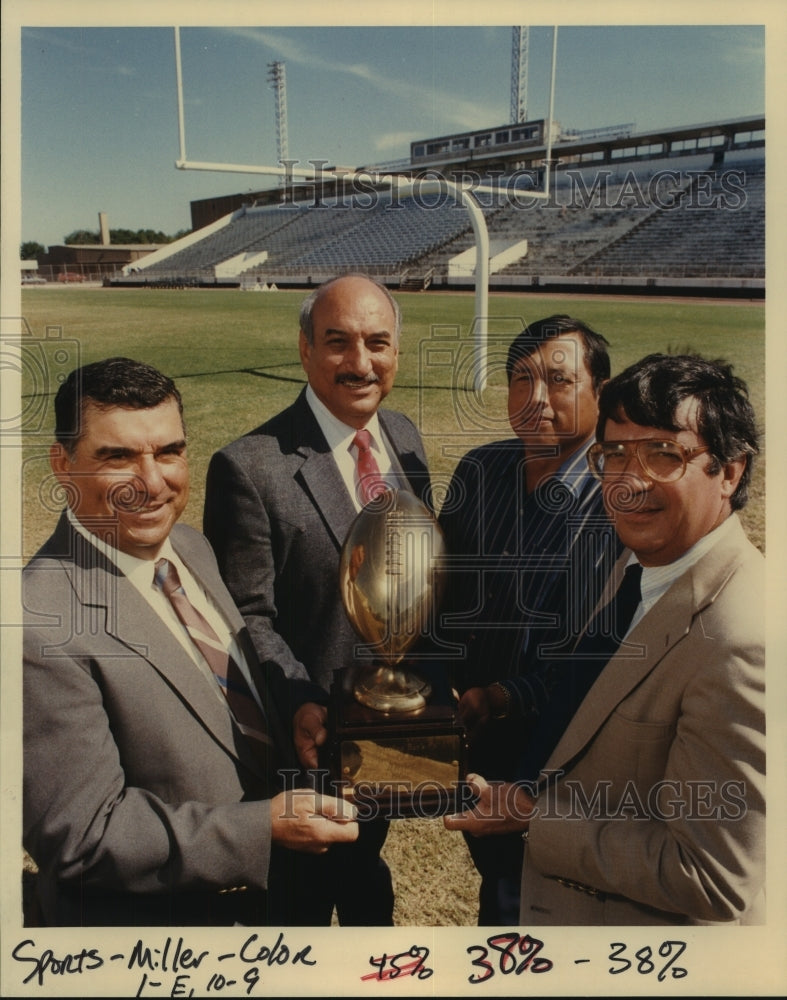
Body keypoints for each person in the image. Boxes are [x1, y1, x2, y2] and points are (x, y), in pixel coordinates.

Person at [22, 357, 358, 927]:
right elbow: (84, 836)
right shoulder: (40, 624)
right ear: (62, 464)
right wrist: (262, 829)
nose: (152, 483)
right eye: (118, 456)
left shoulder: (190, 546)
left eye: (169, 451)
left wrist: (286, 715)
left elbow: (213, 690)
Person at [445, 353, 765, 926]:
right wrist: (505, 700)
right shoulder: (642, 571)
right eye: (614, 454)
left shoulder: (742, 640)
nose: (628, 480)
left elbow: (711, 876)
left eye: (664, 454)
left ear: (731, 472)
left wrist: (535, 820)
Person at [203, 274, 432, 925]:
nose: (360, 363)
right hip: (299, 749)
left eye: (377, 344)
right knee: (296, 913)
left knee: (366, 887)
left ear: (396, 352)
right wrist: (301, 700)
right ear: (304, 349)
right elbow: (248, 615)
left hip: (386, 740)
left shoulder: (406, 441)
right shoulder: (249, 466)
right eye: (338, 342)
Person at [437, 314, 621, 925]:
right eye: (522, 378)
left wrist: (506, 696)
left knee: (540, 900)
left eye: (559, 381)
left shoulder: (620, 500)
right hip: (473, 737)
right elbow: (443, 595)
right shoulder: (479, 472)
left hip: (559, 752)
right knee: (497, 884)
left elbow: (603, 649)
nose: (536, 399)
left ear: (600, 392)